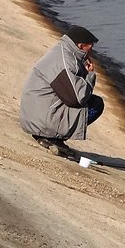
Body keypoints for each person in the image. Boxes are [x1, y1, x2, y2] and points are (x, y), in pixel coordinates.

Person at [19, 25, 105, 155]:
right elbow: (77, 99)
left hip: (34, 116)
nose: (92, 52)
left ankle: (48, 135)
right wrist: (90, 75)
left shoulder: (61, 51)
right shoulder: (67, 62)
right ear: (80, 46)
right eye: (91, 47)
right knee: (96, 104)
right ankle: (54, 137)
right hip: (41, 120)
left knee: (87, 101)